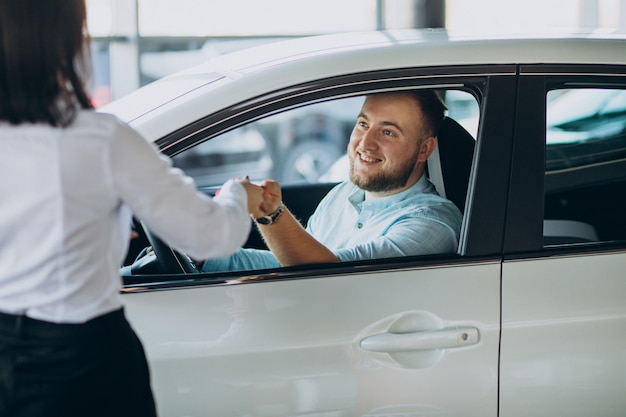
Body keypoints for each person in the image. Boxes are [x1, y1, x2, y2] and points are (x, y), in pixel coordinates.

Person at [0, 1, 264, 416]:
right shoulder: (100, 141)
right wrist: (238, 196)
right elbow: (211, 237)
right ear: (63, 39)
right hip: (83, 362)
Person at [202, 90, 463, 272]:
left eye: (388, 132)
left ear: (423, 150)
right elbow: (289, 261)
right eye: (363, 124)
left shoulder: (434, 225)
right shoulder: (342, 195)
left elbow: (330, 274)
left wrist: (269, 211)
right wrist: (206, 257)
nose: (365, 143)